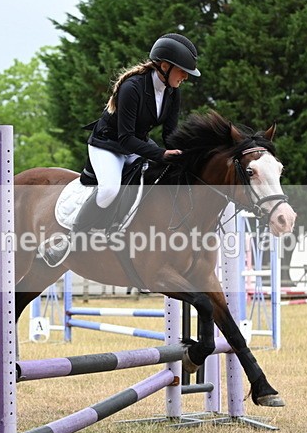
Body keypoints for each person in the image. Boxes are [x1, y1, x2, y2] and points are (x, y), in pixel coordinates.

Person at [42, 33, 200, 266]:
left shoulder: (171, 90)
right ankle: (69, 241)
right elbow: (125, 138)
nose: (185, 77)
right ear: (165, 66)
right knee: (109, 190)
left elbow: (169, 135)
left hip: (136, 145)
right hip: (109, 145)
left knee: (158, 180)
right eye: (182, 71)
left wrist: (187, 155)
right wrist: (160, 154)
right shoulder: (132, 88)